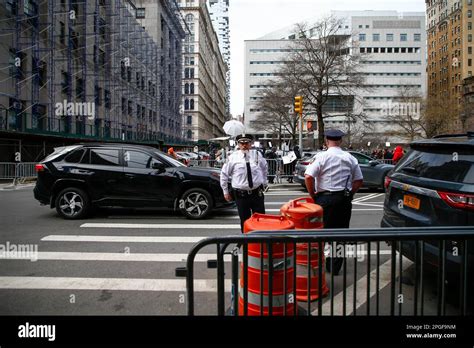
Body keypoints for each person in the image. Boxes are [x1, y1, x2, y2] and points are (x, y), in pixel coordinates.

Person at [304, 129, 364, 275]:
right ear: (340, 141)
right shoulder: (349, 157)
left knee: (321, 232)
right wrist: (349, 194)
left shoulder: (322, 157)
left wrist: (313, 195)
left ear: (326, 141)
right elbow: (359, 180)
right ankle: (334, 267)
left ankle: (319, 264)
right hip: (343, 199)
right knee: (341, 234)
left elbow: (308, 176)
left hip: (324, 198)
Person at [220, 134, 269, 232]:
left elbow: (264, 169)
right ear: (238, 144)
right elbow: (224, 174)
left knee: (260, 220)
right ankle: (247, 243)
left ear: (250, 144)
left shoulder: (257, 155)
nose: (244, 145)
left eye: (246, 143)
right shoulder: (233, 157)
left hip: (257, 194)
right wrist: (225, 191)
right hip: (241, 195)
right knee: (245, 221)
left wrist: (264, 182)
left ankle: (260, 243)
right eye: (241, 143)